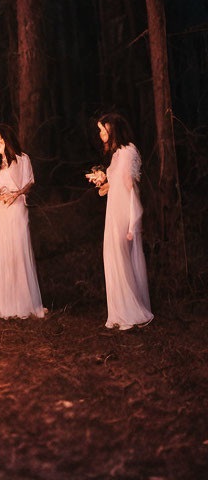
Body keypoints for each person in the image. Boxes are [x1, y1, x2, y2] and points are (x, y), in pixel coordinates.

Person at [85, 113, 152, 330]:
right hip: (114, 209)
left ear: (113, 130)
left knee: (120, 257)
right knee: (113, 257)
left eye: (103, 129)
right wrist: (103, 183)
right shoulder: (117, 154)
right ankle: (119, 311)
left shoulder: (127, 151)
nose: (101, 134)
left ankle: (130, 312)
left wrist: (133, 220)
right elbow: (117, 183)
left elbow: (129, 187)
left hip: (122, 211)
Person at [0, 124, 45, 319]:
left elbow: (29, 182)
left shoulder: (22, 159)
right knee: (4, 253)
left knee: (19, 251)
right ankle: (6, 302)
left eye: (0, 140)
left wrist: (17, 193)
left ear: (7, 139)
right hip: (1, 212)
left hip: (18, 209)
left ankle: (25, 301)